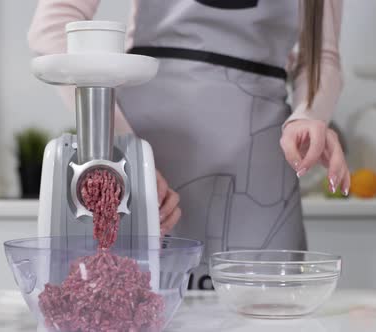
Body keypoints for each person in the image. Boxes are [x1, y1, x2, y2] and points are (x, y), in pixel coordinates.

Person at [28, 0, 348, 289]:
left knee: (268, 312)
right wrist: (122, 148)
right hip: (148, 151)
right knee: (136, 305)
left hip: (260, 162)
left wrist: (309, 114)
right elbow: (52, 25)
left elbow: (322, 55)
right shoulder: (131, 153)